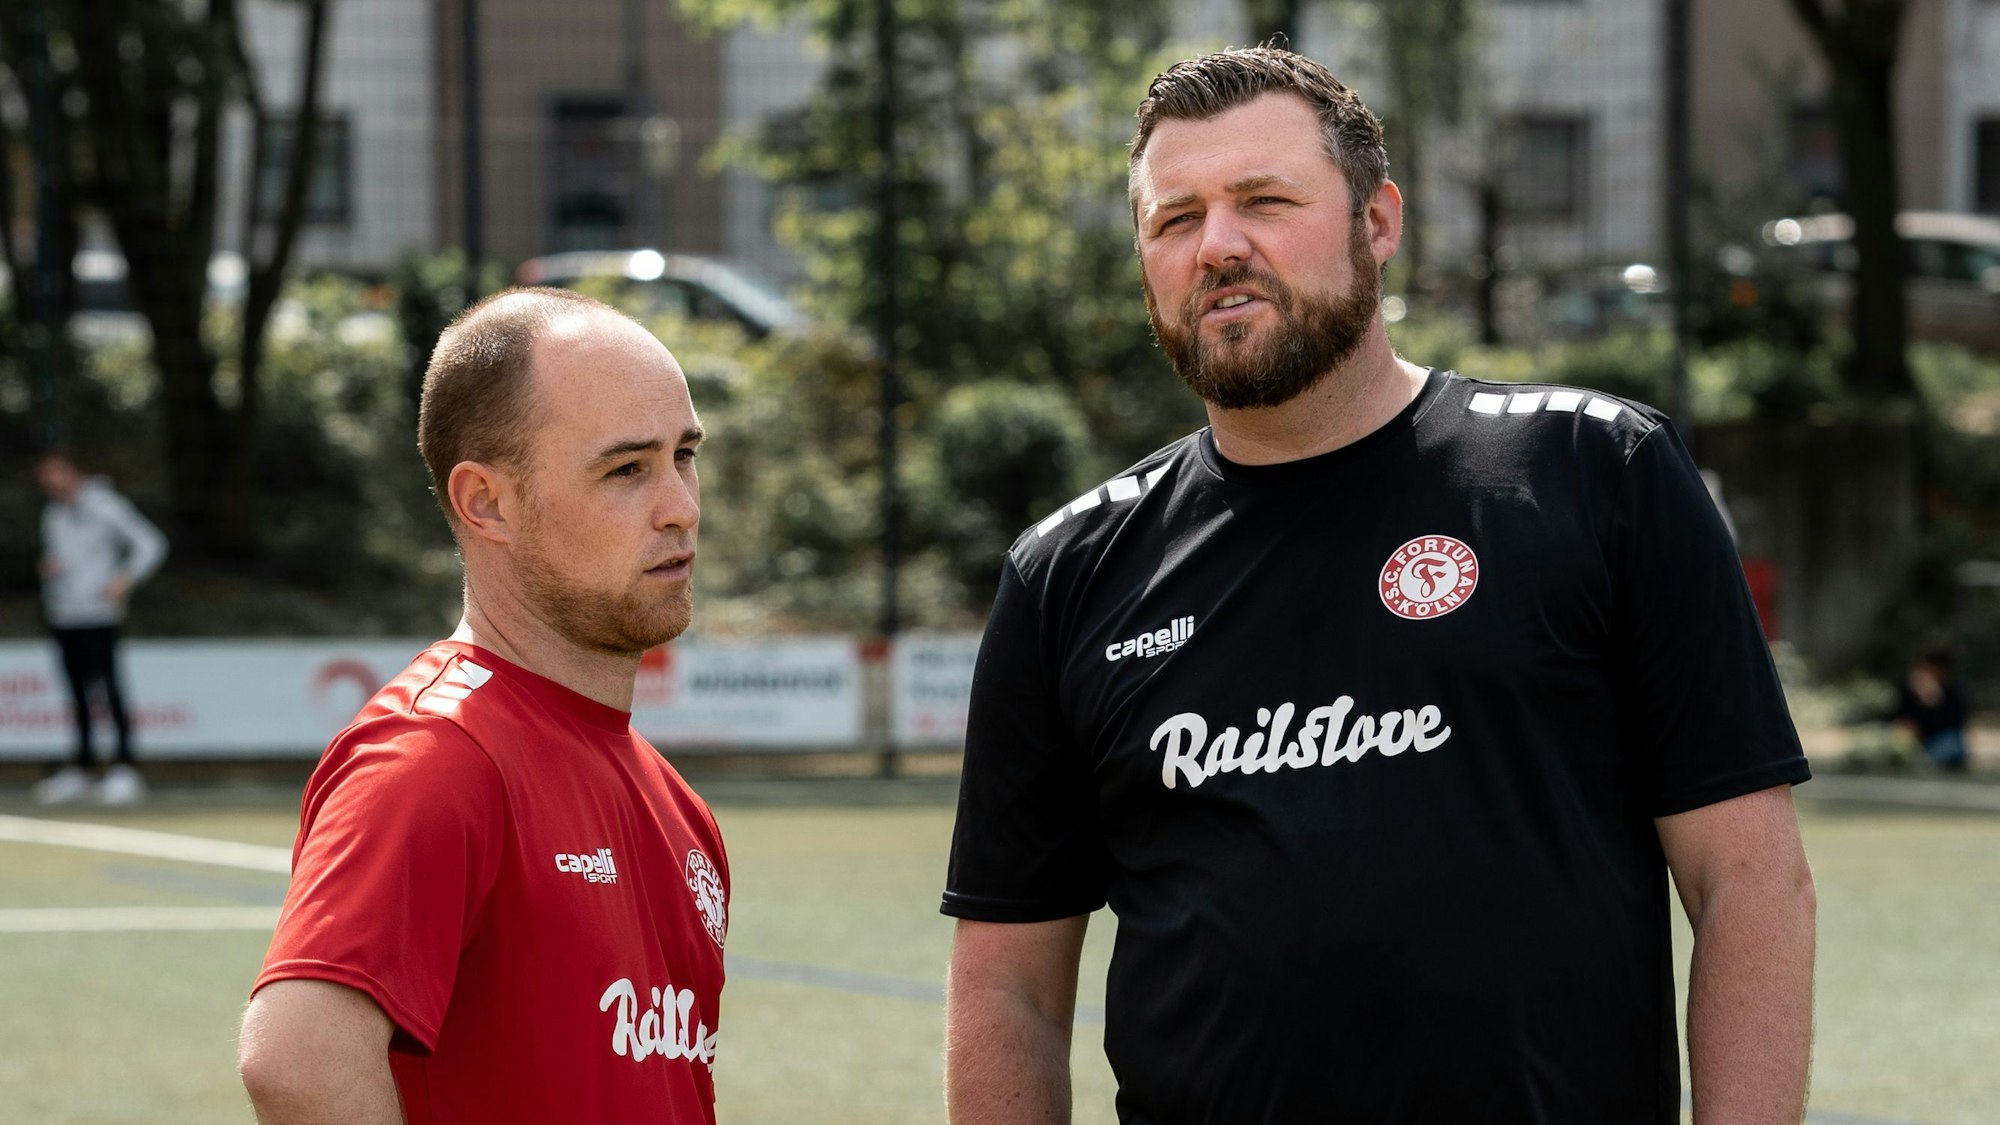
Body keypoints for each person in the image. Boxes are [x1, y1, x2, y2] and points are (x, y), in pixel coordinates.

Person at [940, 47, 1816, 1124]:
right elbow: (1007, 985)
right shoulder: (1066, 573)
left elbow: (1745, 888)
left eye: (1263, 199)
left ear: (1377, 221)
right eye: (1174, 220)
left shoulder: (1594, 475)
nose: (1217, 245)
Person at [238, 288, 729, 1124]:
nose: (681, 505)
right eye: (626, 470)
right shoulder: (434, 753)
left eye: (684, 455)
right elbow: (296, 1056)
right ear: (485, 502)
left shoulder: (677, 804)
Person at [33, 449, 167, 805]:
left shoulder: (106, 506)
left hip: (99, 616)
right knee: (76, 696)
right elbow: (61, 557)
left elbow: (150, 544)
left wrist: (125, 579)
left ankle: (125, 769)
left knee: (110, 691)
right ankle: (80, 769)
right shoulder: (54, 514)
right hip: (64, 615)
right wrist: (51, 569)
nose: (50, 482)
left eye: (56, 474)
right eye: (46, 476)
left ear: (74, 472)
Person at [1891, 647, 1969, 771]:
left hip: (1939, 741)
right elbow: (1895, 715)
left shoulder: (1952, 692)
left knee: (1950, 746)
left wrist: (1932, 699)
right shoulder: (1907, 689)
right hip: (1911, 740)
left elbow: (1953, 722)